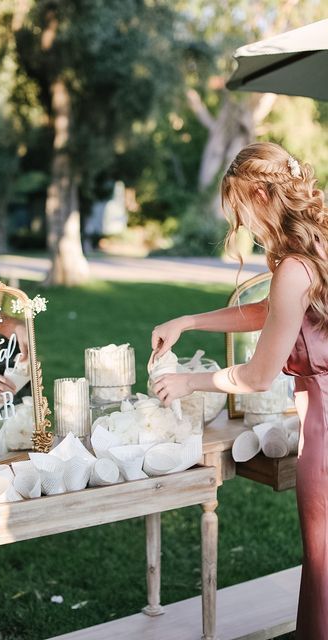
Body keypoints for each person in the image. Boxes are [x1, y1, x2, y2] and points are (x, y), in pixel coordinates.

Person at [150, 141, 328, 640]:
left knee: (324, 563)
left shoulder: (294, 267)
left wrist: (188, 381)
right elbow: (272, 311)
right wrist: (189, 320)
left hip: (325, 427)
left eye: (240, 210)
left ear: (259, 192)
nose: (242, 225)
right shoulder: (318, 247)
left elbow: (256, 378)